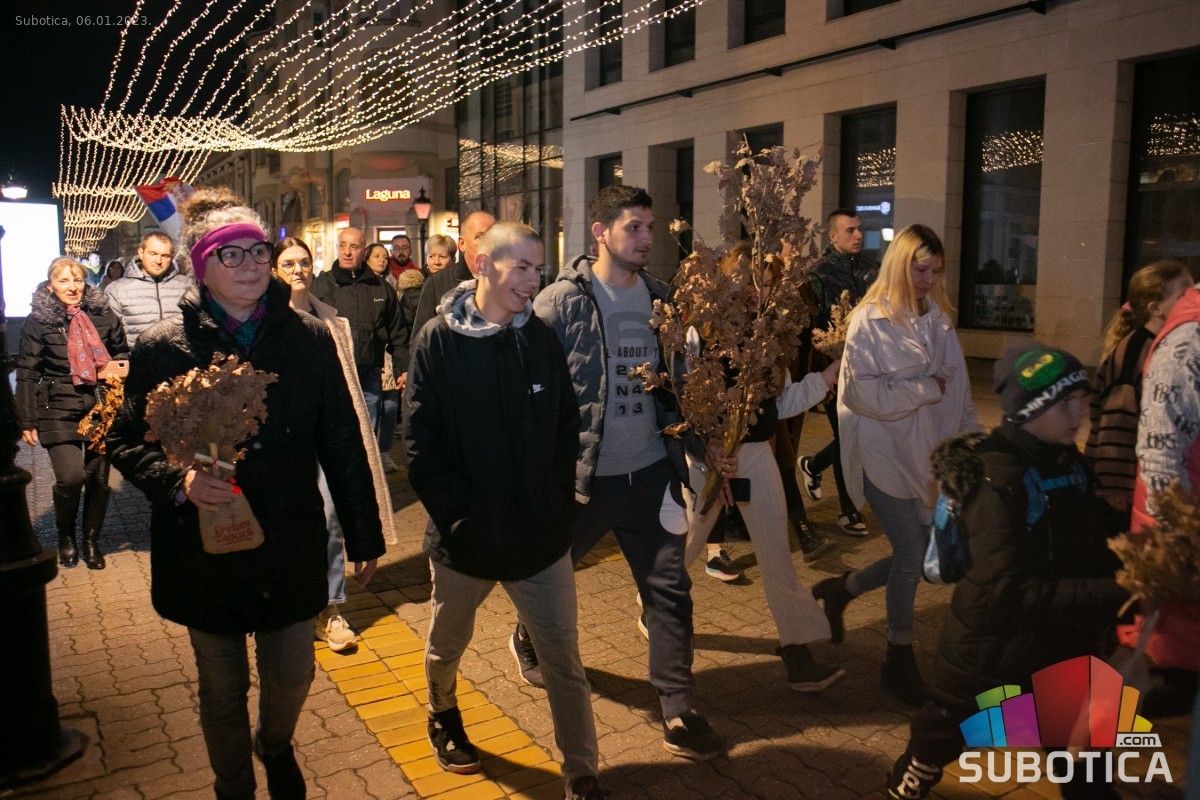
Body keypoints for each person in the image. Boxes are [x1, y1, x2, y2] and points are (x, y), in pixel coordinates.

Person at [108, 188, 385, 800]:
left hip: (288, 537)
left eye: (257, 251)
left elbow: (341, 439)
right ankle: (233, 784)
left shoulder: (309, 338)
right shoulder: (162, 345)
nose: (251, 264)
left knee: (293, 673)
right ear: (199, 265)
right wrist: (178, 481)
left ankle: (275, 743)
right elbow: (122, 438)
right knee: (221, 686)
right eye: (229, 254)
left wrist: (364, 532)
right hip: (202, 547)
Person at [520, 185, 725, 761]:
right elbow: (532, 386)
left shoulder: (662, 300)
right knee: (550, 576)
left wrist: (706, 446)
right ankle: (528, 634)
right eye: (633, 227)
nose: (645, 238)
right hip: (583, 481)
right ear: (601, 232)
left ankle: (678, 707)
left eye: (650, 228)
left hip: (652, 476)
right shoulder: (562, 301)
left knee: (669, 590)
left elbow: (682, 387)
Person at [402, 222, 605, 800]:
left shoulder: (537, 337)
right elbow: (420, 445)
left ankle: (581, 771)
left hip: (539, 538)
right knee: (447, 644)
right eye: (521, 267)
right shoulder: (439, 341)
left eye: (538, 268)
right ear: (482, 266)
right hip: (466, 539)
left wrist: (557, 506)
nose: (532, 280)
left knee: (563, 659)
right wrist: (458, 519)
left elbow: (566, 424)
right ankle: (442, 709)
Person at [886, 345, 1127, 800]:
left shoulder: (1069, 462)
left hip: (1061, 645)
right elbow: (1006, 590)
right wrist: (1116, 590)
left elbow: (1092, 540)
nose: (1079, 413)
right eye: (1064, 403)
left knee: (1086, 762)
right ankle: (909, 780)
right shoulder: (999, 478)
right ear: (1030, 409)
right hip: (991, 653)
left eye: (1080, 399)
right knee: (938, 740)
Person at [813, 224, 979, 706]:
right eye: (919, 269)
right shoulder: (870, 321)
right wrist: (925, 387)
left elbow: (961, 394)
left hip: (928, 458)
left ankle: (843, 590)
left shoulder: (940, 322)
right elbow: (861, 394)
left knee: (921, 555)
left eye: (936, 271)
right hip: (882, 454)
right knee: (911, 554)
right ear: (899, 265)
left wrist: (970, 445)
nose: (927, 280)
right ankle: (898, 656)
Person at [682, 246, 846, 692]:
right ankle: (654, 606)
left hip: (754, 456)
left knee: (776, 555)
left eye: (769, 284)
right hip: (709, 459)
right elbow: (683, 403)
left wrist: (825, 379)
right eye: (750, 280)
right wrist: (709, 454)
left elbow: (781, 403)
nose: (759, 291)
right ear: (728, 280)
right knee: (685, 547)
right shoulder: (701, 333)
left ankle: (797, 648)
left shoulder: (769, 340)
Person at [272, 237, 397, 653]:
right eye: (288, 263)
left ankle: (331, 609)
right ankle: (291, 606)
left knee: (329, 517)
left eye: (303, 262)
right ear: (274, 270)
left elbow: (347, 388)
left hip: (327, 436)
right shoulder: (264, 321)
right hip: (283, 444)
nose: (297, 270)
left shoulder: (331, 320)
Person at [17, 257, 128, 570]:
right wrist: (27, 419)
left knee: (99, 480)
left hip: (101, 404)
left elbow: (121, 349)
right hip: (57, 406)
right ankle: (66, 535)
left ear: (85, 282)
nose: (72, 287)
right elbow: (27, 372)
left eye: (77, 280)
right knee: (71, 477)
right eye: (63, 281)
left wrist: (117, 368)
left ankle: (91, 540)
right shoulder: (38, 321)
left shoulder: (102, 313)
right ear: (51, 286)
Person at [1085, 260, 1191, 512]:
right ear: (1155, 308)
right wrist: (1115, 486)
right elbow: (1117, 420)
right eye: (1184, 295)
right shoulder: (1136, 351)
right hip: (1126, 489)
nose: (1193, 300)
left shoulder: (1164, 344)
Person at [797, 209, 879, 535]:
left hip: (869, 366)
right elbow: (811, 329)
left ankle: (813, 464)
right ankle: (848, 510)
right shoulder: (817, 275)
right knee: (847, 435)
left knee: (863, 434)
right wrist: (823, 374)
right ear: (833, 237)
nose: (857, 235)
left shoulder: (872, 270)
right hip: (834, 368)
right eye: (850, 230)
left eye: (859, 229)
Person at [311, 227, 407, 436]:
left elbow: (398, 331)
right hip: (332, 375)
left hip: (368, 374)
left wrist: (404, 367)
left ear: (364, 251)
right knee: (334, 434)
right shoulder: (320, 286)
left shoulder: (381, 288)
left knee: (368, 436)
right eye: (342, 246)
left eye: (353, 247)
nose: (347, 252)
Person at [410, 211, 495, 338]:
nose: (489, 243)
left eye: (493, 237)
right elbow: (422, 338)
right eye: (480, 237)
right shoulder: (437, 283)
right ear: (462, 244)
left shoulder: (508, 280)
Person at [105, 231, 194, 347]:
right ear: (141, 253)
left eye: (165, 256)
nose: (158, 261)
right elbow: (113, 337)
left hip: (182, 357)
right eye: (153, 254)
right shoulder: (116, 290)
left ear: (171, 258)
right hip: (136, 357)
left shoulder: (187, 286)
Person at [362, 242, 401, 471]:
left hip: (389, 355)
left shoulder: (392, 285)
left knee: (390, 405)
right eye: (376, 256)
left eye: (385, 256)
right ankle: (371, 454)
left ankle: (384, 452)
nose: (382, 260)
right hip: (372, 355)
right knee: (373, 405)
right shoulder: (363, 287)